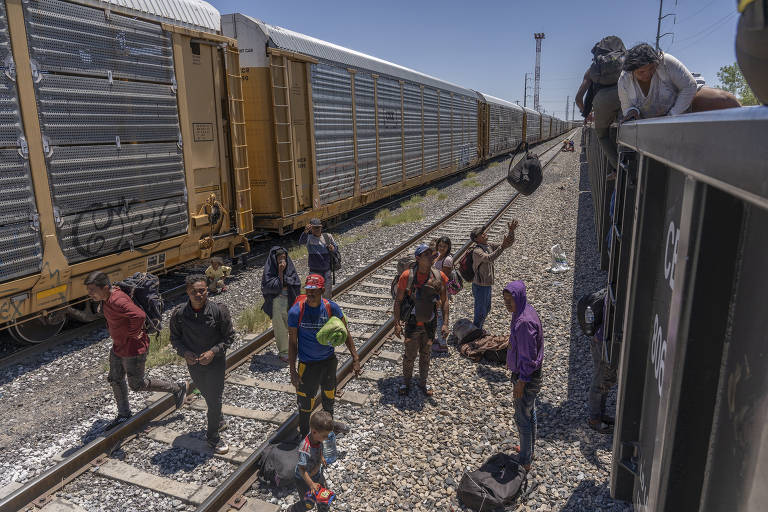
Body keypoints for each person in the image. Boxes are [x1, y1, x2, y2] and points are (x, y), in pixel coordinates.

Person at [85, 272, 186, 431]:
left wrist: (133, 333)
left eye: (92, 290)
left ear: (105, 287)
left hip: (133, 349)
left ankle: (177, 388)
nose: (89, 293)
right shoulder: (107, 299)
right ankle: (124, 414)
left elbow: (138, 315)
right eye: (88, 290)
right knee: (115, 379)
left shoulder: (118, 300)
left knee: (137, 385)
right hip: (119, 347)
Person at [289, 274, 360, 438]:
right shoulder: (296, 312)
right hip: (307, 365)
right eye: (308, 290)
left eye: (314, 291)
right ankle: (305, 435)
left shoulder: (331, 308)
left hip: (328, 362)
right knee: (305, 404)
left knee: (329, 398)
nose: (310, 294)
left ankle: (327, 432)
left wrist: (355, 358)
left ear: (322, 290)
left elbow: (346, 333)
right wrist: (292, 370)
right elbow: (292, 344)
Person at [170, 274, 235, 454]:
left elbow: (229, 337)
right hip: (195, 364)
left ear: (207, 290)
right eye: (194, 292)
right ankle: (219, 418)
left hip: (216, 363)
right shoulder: (179, 314)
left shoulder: (219, 310)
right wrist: (185, 353)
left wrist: (213, 352)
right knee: (206, 393)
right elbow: (175, 339)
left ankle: (213, 437)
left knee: (214, 399)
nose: (198, 295)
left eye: (202, 291)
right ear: (187, 292)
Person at [619, 43, 741, 122]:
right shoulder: (624, 80)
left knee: (725, 100)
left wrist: (672, 116)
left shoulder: (665, 61)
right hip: (651, 118)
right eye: (641, 72)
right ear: (632, 72)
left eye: (651, 69)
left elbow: (690, 86)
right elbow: (627, 108)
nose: (648, 74)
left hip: (682, 105)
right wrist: (632, 112)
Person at [393, 243, 449, 396]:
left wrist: (445, 323)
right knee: (409, 354)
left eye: (431, 254)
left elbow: (445, 301)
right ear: (418, 258)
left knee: (426, 354)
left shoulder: (439, 276)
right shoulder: (407, 276)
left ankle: (423, 382)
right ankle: (406, 383)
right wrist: (396, 324)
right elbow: (398, 301)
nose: (431, 256)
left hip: (430, 323)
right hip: (412, 322)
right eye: (426, 255)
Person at [503, 280, 544, 472]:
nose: (507, 305)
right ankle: (529, 450)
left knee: (522, 418)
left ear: (518, 298)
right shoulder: (524, 310)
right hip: (527, 375)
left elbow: (528, 357)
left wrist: (521, 382)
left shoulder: (523, 322)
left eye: (510, 301)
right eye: (505, 301)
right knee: (530, 412)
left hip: (526, 377)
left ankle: (525, 460)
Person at [575, 36, 626, 171]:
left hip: (602, 101)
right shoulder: (624, 61)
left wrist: (586, 113)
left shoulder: (592, 69)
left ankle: (618, 169)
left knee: (603, 135)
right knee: (626, 131)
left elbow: (578, 98)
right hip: (625, 94)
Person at [470, 220, 517, 329]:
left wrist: (511, 231)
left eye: (484, 232)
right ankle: (476, 332)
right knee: (480, 310)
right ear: (476, 239)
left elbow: (508, 244)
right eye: (481, 234)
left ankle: (478, 329)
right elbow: (489, 258)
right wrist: (502, 247)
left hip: (486, 285)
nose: (484, 234)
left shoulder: (489, 245)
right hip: (480, 286)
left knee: (487, 308)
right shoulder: (477, 251)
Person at [262, 246, 302, 363]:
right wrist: (280, 274)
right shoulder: (269, 270)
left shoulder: (290, 268)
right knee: (280, 329)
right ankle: (284, 352)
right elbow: (268, 286)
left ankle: (296, 348)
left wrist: (283, 281)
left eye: (284, 258)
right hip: (276, 303)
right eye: (279, 259)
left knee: (294, 326)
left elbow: (296, 282)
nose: (282, 261)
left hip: (290, 300)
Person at [293, 411, 334, 512]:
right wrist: (311, 484)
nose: (326, 438)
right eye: (325, 436)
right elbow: (302, 469)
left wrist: (321, 456)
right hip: (304, 480)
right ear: (314, 432)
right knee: (308, 503)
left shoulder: (317, 439)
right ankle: (294, 509)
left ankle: (322, 508)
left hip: (316, 474)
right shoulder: (305, 448)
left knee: (324, 495)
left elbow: (319, 448)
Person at [588, 295, 616, 433]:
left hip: (604, 340)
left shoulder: (614, 290)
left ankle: (600, 414)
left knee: (606, 380)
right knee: (600, 381)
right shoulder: (616, 294)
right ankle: (594, 419)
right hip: (602, 342)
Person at [299, 218, 338, 299]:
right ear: (311, 228)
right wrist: (305, 232)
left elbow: (336, 248)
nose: (317, 229)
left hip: (326, 271)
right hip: (314, 272)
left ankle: (326, 309)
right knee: (314, 295)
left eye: (318, 227)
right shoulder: (308, 238)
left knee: (327, 294)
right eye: (314, 228)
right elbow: (301, 242)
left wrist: (333, 248)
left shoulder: (328, 236)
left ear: (321, 227)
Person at [432, 236, 453, 352]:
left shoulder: (448, 260)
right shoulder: (439, 255)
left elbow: (443, 279)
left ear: (448, 247)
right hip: (436, 291)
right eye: (440, 246)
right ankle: (439, 339)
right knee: (436, 317)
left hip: (441, 292)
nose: (442, 248)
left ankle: (443, 345)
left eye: (444, 246)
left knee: (440, 317)